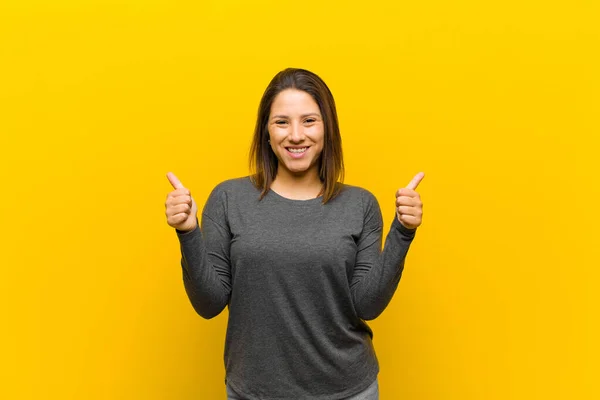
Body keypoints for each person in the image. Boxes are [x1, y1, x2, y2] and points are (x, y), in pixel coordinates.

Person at [164, 68, 424, 400]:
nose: (296, 135)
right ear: (266, 133)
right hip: (254, 392)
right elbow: (209, 303)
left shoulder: (360, 204)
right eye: (282, 122)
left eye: (309, 121)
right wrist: (188, 232)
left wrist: (403, 231)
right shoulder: (229, 199)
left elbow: (367, 304)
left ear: (327, 129)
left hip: (348, 391)